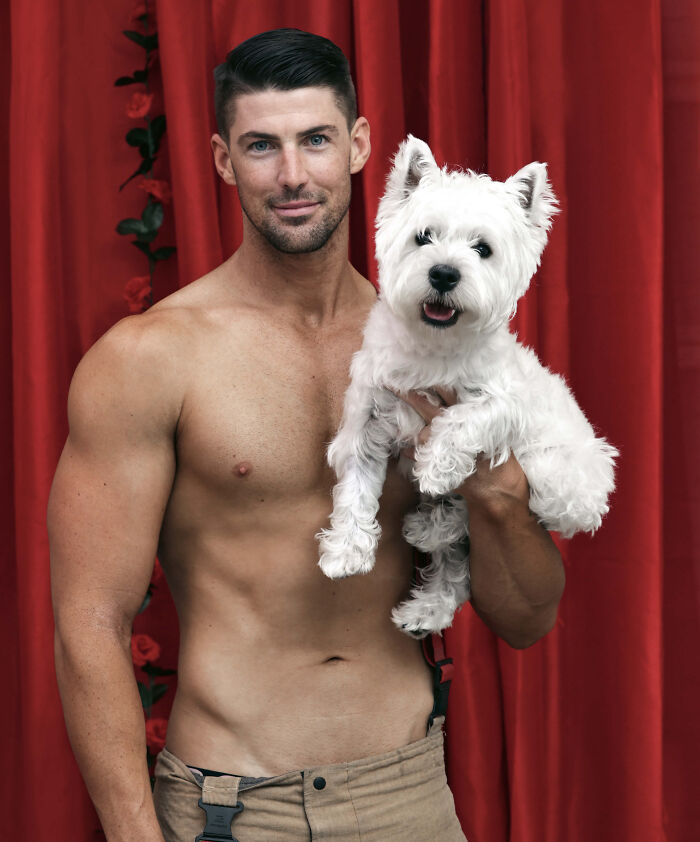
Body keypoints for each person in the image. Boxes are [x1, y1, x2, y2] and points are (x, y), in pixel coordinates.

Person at [48, 28, 565, 842]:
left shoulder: (450, 350)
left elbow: (528, 619)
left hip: (410, 800)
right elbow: (91, 621)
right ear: (223, 160)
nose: (292, 175)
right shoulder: (150, 359)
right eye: (261, 146)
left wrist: (498, 496)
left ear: (359, 147)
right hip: (232, 809)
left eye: (316, 140)